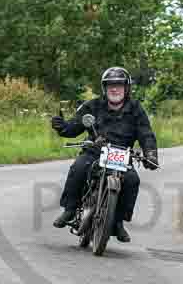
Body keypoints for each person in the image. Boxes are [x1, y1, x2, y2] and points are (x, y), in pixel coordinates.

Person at [50, 67, 159, 243]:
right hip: (95, 151)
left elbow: (146, 134)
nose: (114, 89)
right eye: (110, 85)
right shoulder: (92, 106)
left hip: (121, 156)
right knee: (79, 167)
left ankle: (117, 222)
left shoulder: (136, 109)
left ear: (126, 88)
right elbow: (74, 126)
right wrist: (61, 126)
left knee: (132, 180)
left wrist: (151, 155)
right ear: (104, 88)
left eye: (118, 85)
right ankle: (69, 210)